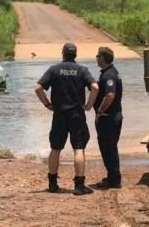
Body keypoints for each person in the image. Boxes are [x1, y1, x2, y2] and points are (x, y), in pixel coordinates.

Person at [34, 43, 99, 195]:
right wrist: (89, 105)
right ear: (75, 55)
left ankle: (52, 183)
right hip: (76, 114)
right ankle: (79, 185)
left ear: (63, 53)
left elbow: (38, 88)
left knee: (55, 149)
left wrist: (47, 104)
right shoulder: (82, 70)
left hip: (59, 114)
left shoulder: (54, 69)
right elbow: (95, 87)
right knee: (78, 149)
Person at [94, 47, 123, 188]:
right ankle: (113, 177)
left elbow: (110, 95)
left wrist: (100, 111)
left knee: (108, 147)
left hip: (108, 117)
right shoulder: (109, 72)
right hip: (112, 116)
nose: (96, 58)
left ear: (103, 58)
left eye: (98, 56)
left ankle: (114, 179)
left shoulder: (109, 75)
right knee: (110, 147)